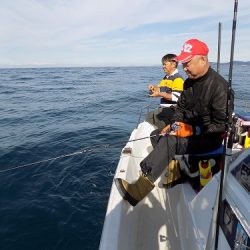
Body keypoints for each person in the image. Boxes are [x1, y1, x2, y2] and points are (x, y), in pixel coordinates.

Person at [115, 38, 233, 206]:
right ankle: (177, 171)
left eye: (188, 63)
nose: (184, 68)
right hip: (191, 131)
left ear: (203, 60)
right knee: (157, 134)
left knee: (171, 141)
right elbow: (180, 109)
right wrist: (174, 124)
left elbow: (222, 126)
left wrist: (193, 130)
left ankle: (139, 189)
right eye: (183, 63)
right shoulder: (188, 83)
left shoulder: (220, 88)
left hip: (209, 138)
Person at [146, 54, 184, 129]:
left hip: (173, 110)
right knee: (149, 115)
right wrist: (153, 88)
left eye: (165, 64)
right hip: (163, 108)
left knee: (156, 117)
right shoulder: (165, 78)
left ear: (173, 64)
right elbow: (160, 89)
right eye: (162, 64)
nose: (163, 66)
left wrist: (159, 94)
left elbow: (176, 97)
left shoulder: (178, 79)